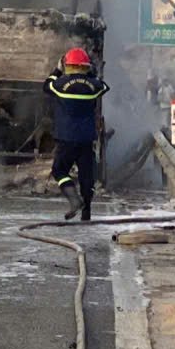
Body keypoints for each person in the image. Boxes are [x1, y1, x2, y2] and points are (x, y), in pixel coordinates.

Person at [47, 47, 109, 221]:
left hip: (66, 138)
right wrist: (91, 75)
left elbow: (47, 85)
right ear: (85, 66)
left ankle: (74, 200)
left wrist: (57, 70)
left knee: (59, 170)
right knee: (86, 176)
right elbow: (104, 87)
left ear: (68, 65)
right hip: (86, 139)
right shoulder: (93, 86)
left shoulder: (60, 84)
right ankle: (86, 212)